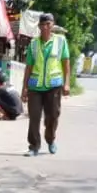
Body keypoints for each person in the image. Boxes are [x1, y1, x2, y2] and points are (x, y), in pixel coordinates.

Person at [22, 13, 69, 156]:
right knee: (34, 117)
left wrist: (66, 84)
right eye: (42, 25)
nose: (45, 28)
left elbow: (66, 63)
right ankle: (34, 146)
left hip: (53, 86)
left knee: (52, 116)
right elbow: (28, 67)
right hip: (35, 86)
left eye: (48, 24)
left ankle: (50, 139)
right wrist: (24, 87)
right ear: (39, 27)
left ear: (52, 25)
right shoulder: (34, 44)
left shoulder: (61, 41)